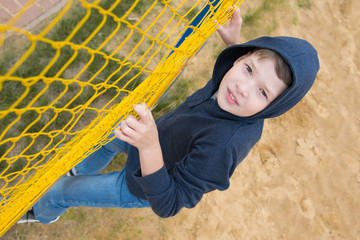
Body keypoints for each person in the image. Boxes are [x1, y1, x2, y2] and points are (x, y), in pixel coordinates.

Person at [18, 8, 319, 223]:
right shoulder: (234, 82)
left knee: (57, 191)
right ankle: (77, 171)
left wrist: (149, 146)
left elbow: (169, 203)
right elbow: (250, 76)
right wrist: (234, 42)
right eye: (248, 68)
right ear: (240, 58)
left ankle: (38, 212)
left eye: (262, 93)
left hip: (142, 185)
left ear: (273, 108)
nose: (242, 88)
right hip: (151, 137)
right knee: (106, 140)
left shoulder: (223, 147)